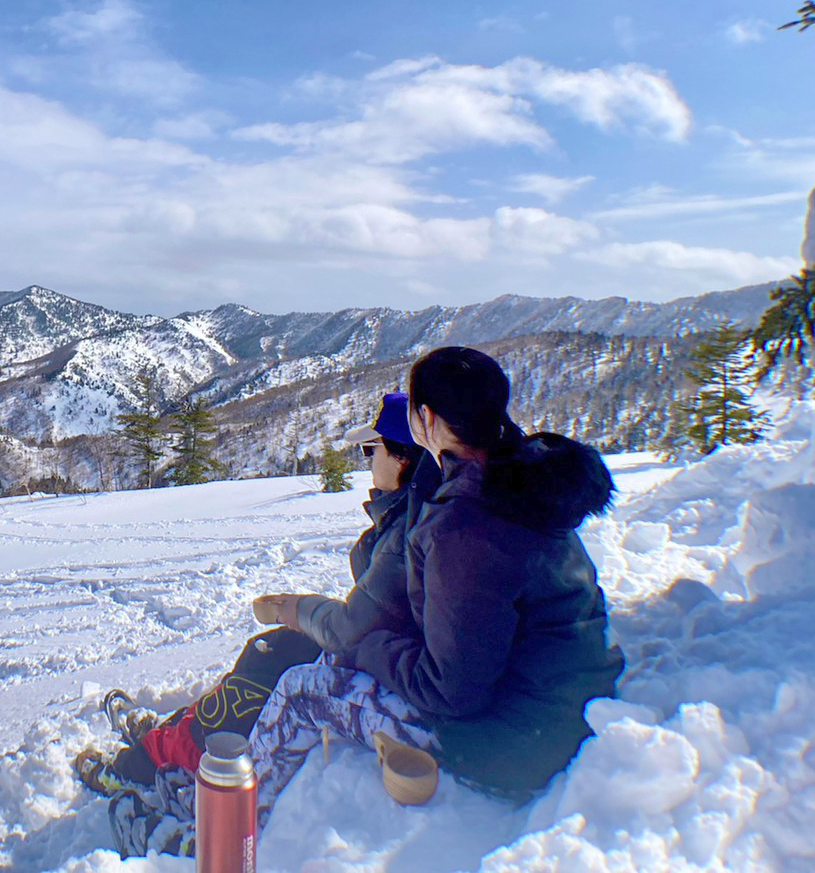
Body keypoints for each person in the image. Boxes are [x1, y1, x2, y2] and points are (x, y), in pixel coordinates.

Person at [246, 346, 623, 830]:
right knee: (335, 660)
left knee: (304, 688)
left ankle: (230, 835)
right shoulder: (523, 478)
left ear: (425, 417)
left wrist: (371, 646)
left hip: (520, 745)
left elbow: (450, 691)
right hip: (568, 701)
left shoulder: (467, 523)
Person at [83, 394, 437, 848]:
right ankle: (168, 736)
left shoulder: (406, 530)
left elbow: (354, 624)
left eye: (372, 451)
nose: (367, 463)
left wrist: (293, 608)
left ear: (404, 458)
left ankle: (151, 765)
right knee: (267, 654)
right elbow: (375, 609)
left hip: (388, 669)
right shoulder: (408, 516)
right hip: (387, 655)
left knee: (271, 670)